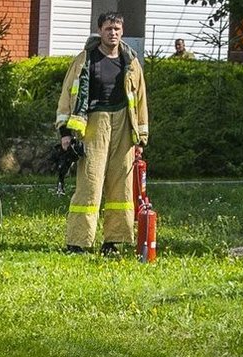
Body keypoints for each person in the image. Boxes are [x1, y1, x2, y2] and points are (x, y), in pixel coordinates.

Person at [56, 11, 149, 255]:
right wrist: (65, 132)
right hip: (94, 124)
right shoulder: (85, 59)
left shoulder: (131, 61)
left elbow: (140, 101)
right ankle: (78, 242)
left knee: (121, 187)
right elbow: (68, 95)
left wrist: (140, 137)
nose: (113, 33)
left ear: (122, 31)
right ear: (100, 30)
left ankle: (113, 242)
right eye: (109, 28)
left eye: (117, 28)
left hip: (123, 126)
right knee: (90, 182)